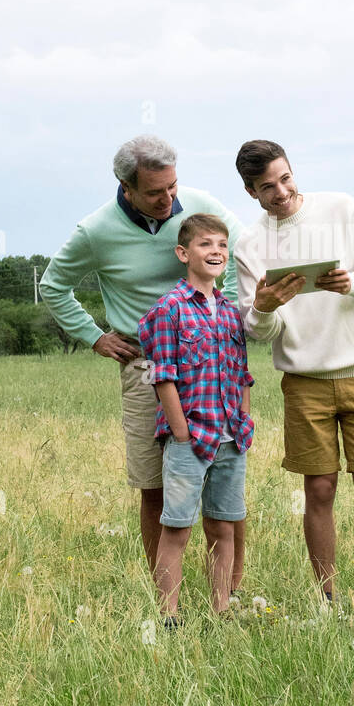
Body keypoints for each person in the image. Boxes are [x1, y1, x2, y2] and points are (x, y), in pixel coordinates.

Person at [38, 135, 247, 587]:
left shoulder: (198, 204)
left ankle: (230, 592)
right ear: (126, 188)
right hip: (145, 363)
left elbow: (239, 249)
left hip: (211, 362)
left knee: (226, 480)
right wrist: (94, 336)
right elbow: (53, 286)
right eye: (155, 192)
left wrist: (223, 311)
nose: (169, 199)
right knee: (155, 486)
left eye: (173, 187)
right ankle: (164, 595)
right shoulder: (95, 231)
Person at [232, 139, 354, 611]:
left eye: (285, 179)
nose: (281, 193)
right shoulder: (250, 244)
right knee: (319, 488)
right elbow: (259, 328)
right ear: (251, 193)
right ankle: (327, 598)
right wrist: (264, 309)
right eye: (267, 188)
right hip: (304, 381)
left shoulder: (341, 208)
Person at [138, 215, 254, 623]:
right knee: (178, 527)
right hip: (191, 439)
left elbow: (242, 373)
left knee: (223, 527)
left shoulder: (229, 311)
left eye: (222, 245)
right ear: (184, 253)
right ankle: (169, 613)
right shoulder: (166, 310)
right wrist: (182, 433)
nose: (216, 252)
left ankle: (221, 607)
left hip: (230, 438)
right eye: (206, 245)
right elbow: (160, 374)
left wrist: (244, 418)